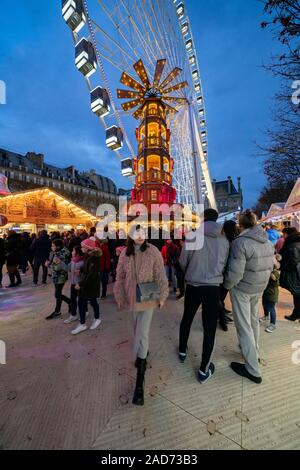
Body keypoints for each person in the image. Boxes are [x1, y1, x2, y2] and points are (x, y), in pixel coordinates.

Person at [114, 225, 169, 406]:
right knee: (137, 329)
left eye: (143, 232)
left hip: (148, 297)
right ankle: (141, 354)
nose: (141, 236)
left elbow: (160, 275)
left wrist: (162, 296)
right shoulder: (125, 253)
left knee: (142, 333)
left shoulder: (153, 251)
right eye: (137, 233)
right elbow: (120, 276)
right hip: (131, 298)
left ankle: (140, 381)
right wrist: (120, 295)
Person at [178, 209, 230, 383]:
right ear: (217, 219)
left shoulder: (193, 236)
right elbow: (224, 262)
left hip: (193, 284)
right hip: (212, 287)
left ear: (203, 219)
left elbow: (183, 260)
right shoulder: (224, 240)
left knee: (187, 318)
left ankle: (182, 350)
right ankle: (203, 369)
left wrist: (190, 273)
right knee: (209, 328)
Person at [224, 210, 274, 384]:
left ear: (241, 224)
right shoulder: (267, 241)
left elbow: (235, 273)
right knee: (253, 321)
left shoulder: (241, 243)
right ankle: (255, 352)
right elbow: (270, 265)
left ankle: (252, 369)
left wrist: (227, 285)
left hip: (243, 289)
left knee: (243, 326)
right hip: (259, 287)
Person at [71, 238, 102, 335]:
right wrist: (81, 271)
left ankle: (95, 319)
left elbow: (91, 275)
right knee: (83, 302)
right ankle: (83, 323)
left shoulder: (93, 258)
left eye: (83, 246)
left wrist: (80, 284)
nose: (81, 248)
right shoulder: (88, 256)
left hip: (90, 285)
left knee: (92, 302)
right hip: (87, 285)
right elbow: (87, 270)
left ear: (88, 247)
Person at [218, 220, 240, 331]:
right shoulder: (236, 241)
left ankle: (222, 318)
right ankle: (222, 315)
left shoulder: (224, 241)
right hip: (230, 273)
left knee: (219, 297)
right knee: (222, 296)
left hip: (222, 272)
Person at [45, 239, 70, 320]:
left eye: (53, 246)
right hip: (60, 276)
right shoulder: (63, 251)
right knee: (58, 293)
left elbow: (58, 267)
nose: (51, 247)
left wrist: (48, 265)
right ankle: (57, 311)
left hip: (59, 276)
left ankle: (70, 302)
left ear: (58, 246)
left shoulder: (59, 254)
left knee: (57, 294)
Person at [279, 227, 300, 322]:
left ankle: (296, 315)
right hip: (297, 273)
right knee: (297, 295)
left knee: (297, 295)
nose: (283, 236)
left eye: (284, 234)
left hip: (296, 274)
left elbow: (294, 261)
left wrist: (284, 268)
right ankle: (296, 314)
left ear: (288, 234)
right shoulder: (297, 242)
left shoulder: (292, 245)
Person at [259, 254, 281, 333]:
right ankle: (265, 316)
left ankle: (273, 324)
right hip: (266, 292)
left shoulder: (276, 272)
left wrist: (268, 269)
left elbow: (273, 277)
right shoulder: (270, 270)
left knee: (271, 308)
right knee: (264, 305)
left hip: (272, 294)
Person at [64, 245, 85, 324]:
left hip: (80, 284)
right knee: (73, 299)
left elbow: (85, 274)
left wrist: (80, 273)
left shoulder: (83, 262)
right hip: (73, 284)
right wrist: (60, 263)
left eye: (73, 251)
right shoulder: (73, 261)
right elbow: (67, 268)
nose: (72, 252)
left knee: (81, 300)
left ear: (77, 253)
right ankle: (73, 315)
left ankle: (84, 313)